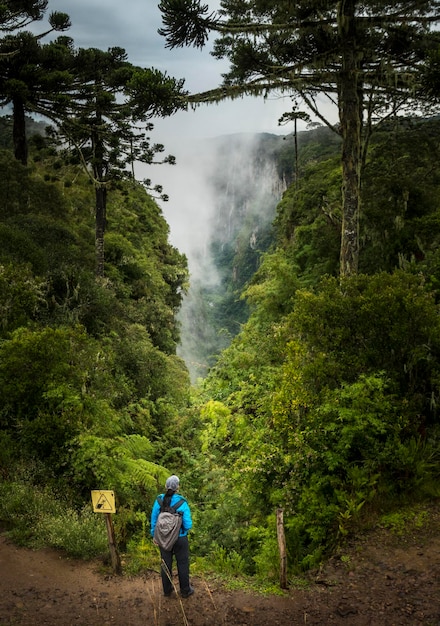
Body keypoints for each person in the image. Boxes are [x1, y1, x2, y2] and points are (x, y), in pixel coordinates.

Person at [150, 474, 194, 598]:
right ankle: (185, 590)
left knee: (165, 563)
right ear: (177, 487)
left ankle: (167, 591)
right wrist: (182, 531)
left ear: (166, 486)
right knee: (183, 563)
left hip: (163, 538)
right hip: (180, 538)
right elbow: (188, 524)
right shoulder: (182, 502)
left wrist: (154, 535)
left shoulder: (159, 500)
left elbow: (154, 519)